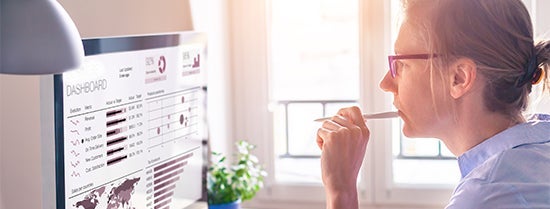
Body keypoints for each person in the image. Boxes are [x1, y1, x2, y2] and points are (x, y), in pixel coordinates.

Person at [316, 0, 550, 208]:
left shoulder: (487, 194)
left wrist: (341, 190)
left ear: (459, 78)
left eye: (401, 64)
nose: (385, 83)